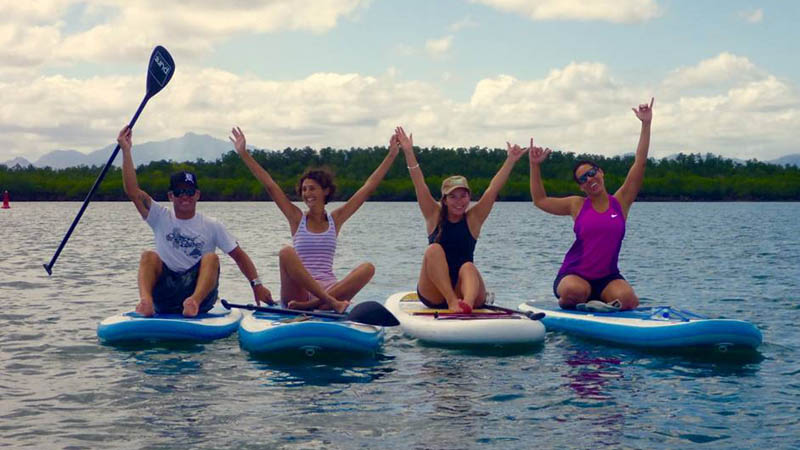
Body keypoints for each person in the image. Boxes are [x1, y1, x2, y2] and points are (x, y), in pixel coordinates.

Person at [231, 126, 399, 313]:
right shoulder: (296, 218)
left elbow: (368, 188)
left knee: (368, 268)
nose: (307, 194)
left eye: (312, 188)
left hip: (329, 290)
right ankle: (325, 302)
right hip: (298, 294)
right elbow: (270, 185)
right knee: (286, 252)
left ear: (325, 191)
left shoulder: (336, 219)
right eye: (304, 189)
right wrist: (244, 154)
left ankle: (314, 305)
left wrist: (391, 155)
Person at [118, 125, 273, 317]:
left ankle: (193, 303)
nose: (185, 196)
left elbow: (239, 256)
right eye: (179, 192)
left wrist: (257, 285)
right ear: (171, 196)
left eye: (190, 192)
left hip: (199, 293)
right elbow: (133, 191)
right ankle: (146, 302)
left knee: (211, 258)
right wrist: (126, 150)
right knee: (148, 256)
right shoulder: (159, 216)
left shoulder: (212, 225)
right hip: (166, 292)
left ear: (197, 195)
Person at [527, 98, 654, 311]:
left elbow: (639, 162)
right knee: (575, 292)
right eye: (583, 179)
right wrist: (534, 166)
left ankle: (599, 302)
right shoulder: (576, 205)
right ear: (581, 187)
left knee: (629, 301)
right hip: (575, 275)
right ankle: (574, 303)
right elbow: (540, 200)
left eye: (592, 173)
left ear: (601, 172)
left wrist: (646, 124)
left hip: (607, 277)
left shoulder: (621, 202)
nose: (589, 179)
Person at [395, 126, 526, 313]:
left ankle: (467, 305)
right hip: (435, 291)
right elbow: (419, 183)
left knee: (468, 266)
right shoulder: (434, 215)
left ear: (469, 197)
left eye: (463, 196)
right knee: (433, 250)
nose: (459, 202)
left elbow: (492, 190)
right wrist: (408, 151)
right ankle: (452, 302)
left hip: (465, 289)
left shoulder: (474, 219)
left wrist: (510, 160)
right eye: (453, 197)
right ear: (445, 200)